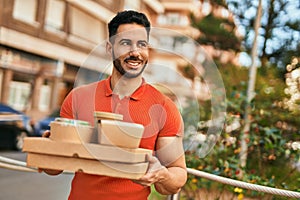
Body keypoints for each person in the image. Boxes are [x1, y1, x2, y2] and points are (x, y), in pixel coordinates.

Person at [41, 10, 187, 199]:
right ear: (110, 48)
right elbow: (54, 169)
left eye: (141, 44)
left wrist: (163, 174)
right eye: (126, 43)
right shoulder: (79, 97)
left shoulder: (164, 107)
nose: (135, 52)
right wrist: (47, 150)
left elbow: (176, 177)